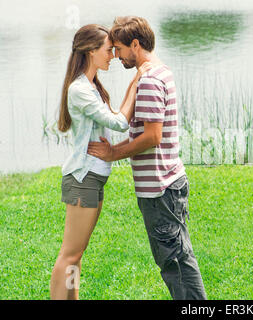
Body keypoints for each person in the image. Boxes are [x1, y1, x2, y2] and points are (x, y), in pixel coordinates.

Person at [87, 16, 207, 300]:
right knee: (178, 255)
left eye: (118, 49)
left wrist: (114, 152)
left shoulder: (151, 80)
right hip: (167, 184)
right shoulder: (159, 71)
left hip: (160, 188)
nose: (116, 56)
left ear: (136, 44)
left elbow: (153, 137)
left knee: (175, 261)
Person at [50, 24, 152, 300]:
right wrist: (135, 82)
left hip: (94, 178)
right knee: (69, 254)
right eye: (108, 50)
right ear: (91, 51)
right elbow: (119, 122)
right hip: (83, 178)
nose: (113, 56)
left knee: (77, 254)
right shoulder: (80, 90)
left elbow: (116, 119)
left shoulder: (92, 87)